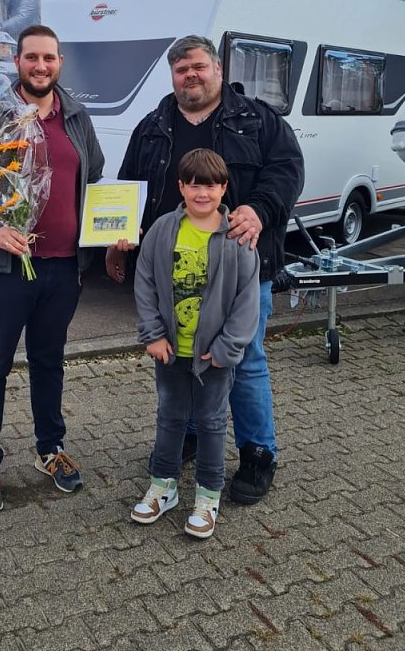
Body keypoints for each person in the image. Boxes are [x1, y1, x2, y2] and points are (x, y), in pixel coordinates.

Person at [107, 35, 304, 504]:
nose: (190, 76)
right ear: (173, 76)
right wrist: (116, 241)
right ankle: (190, 435)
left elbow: (287, 171)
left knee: (244, 358)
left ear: (217, 68)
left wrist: (259, 209)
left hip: (241, 267)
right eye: (181, 70)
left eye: (198, 66)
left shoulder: (258, 120)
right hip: (175, 272)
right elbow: (129, 188)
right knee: (182, 356)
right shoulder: (153, 126)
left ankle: (257, 452)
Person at [0, 24, 104, 513]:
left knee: (49, 361)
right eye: (32, 57)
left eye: (49, 58)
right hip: (5, 270)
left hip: (63, 267)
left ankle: (49, 449)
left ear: (60, 63)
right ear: (17, 62)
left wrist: (111, 229)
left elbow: (95, 178)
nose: (41, 66)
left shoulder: (76, 117)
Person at [132, 149, 259, 539]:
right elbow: (145, 282)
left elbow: (247, 301)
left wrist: (226, 349)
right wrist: (153, 334)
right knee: (169, 418)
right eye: (193, 185)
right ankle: (163, 486)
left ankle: (207, 496)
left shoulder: (237, 238)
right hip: (171, 352)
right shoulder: (163, 230)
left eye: (210, 186)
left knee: (211, 422)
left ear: (223, 188)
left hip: (213, 357)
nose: (202, 194)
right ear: (181, 187)